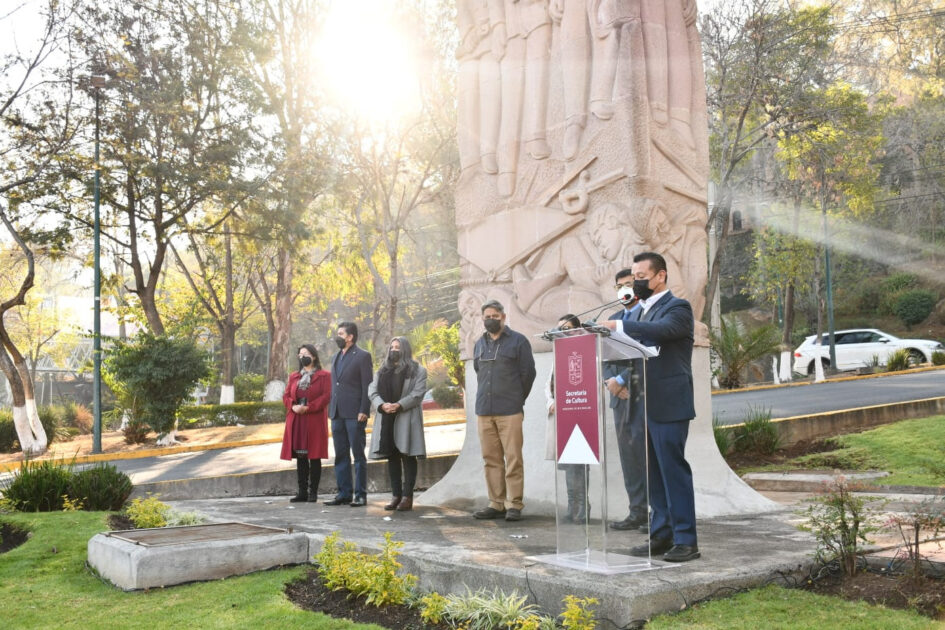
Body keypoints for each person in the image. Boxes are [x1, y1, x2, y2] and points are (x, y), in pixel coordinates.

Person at [600, 252, 699, 563]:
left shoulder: (677, 307)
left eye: (641, 277)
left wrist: (619, 325)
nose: (637, 283)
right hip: (641, 403)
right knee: (652, 473)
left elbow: (664, 331)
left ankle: (686, 540)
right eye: (634, 277)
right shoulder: (640, 313)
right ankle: (661, 534)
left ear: (661, 276)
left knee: (672, 471)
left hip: (669, 403)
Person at [472, 299, 537, 522]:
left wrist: (517, 398)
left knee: (513, 458)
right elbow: (478, 371)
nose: (491, 320)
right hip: (484, 410)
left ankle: (514, 504)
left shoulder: (518, 341)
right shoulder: (479, 344)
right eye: (487, 317)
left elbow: (528, 374)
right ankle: (496, 503)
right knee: (491, 459)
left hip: (510, 410)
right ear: (483, 319)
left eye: (495, 316)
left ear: (503, 317)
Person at [604, 268, 649, 531]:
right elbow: (604, 357)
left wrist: (622, 379)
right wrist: (610, 382)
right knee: (629, 458)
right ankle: (637, 511)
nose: (624, 290)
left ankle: (657, 514)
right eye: (619, 286)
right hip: (620, 400)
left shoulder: (648, 315)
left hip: (642, 396)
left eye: (629, 284)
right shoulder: (612, 319)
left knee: (648, 458)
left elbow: (644, 356)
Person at [368, 337, 428, 512]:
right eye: (392, 347)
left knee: (408, 456)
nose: (394, 350)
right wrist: (381, 405)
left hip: (406, 417)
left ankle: (407, 497)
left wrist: (399, 405)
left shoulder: (418, 370)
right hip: (386, 417)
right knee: (392, 456)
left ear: (405, 350)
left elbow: (418, 394)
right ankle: (396, 495)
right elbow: (372, 391)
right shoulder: (382, 370)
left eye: (398, 347)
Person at [544, 314, 589, 522]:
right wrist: (551, 402)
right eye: (560, 329)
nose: (564, 332)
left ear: (578, 330)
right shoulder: (559, 354)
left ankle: (583, 505)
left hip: (580, 416)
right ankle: (572, 505)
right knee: (567, 465)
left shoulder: (585, 352)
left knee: (578, 464)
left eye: (568, 328)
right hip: (561, 417)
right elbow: (549, 384)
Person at [326, 322, 373, 507]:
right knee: (340, 455)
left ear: (350, 336)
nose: (337, 336)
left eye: (341, 333)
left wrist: (364, 409)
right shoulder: (335, 357)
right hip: (337, 413)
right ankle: (344, 493)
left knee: (358, 455)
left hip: (355, 413)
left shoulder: (362, 356)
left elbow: (367, 385)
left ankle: (360, 495)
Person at [280, 345, 331, 502]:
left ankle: (313, 492)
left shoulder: (325, 376)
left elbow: (326, 396)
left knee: (314, 456)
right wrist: (293, 406)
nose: (303, 357)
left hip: (314, 419)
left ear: (314, 356)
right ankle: (302, 492)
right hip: (297, 419)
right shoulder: (294, 376)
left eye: (306, 354)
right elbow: (286, 396)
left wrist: (309, 407)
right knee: (301, 456)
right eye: (300, 354)